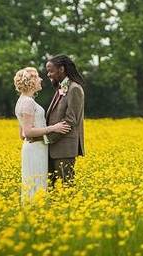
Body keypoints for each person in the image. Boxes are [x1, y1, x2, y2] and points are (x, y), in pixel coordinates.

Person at [13, 67, 70, 204]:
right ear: (31, 82)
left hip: (32, 147)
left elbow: (22, 134)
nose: (41, 79)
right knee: (36, 183)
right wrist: (53, 128)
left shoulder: (22, 100)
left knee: (34, 182)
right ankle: (35, 211)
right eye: (37, 77)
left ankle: (33, 212)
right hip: (36, 149)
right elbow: (27, 132)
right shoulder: (28, 102)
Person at [43, 55, 86, 188]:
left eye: (51, 71)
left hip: (65, 149)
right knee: (53, 189)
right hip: (53, 148)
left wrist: (46, 138)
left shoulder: (74, 89)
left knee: (65, 189)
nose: (48, 74)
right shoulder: (61, 88)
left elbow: (70, 120)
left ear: (61, 69)